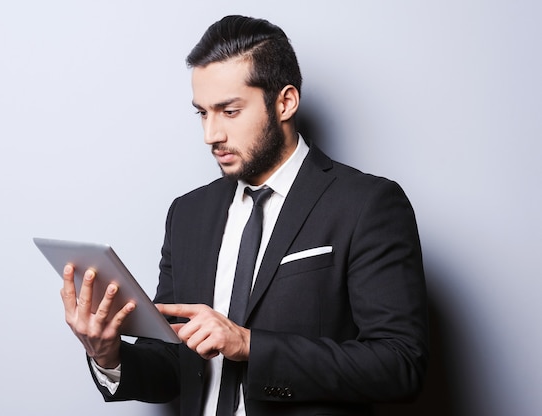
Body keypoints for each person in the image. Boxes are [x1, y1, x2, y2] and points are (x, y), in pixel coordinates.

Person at [60, 15, 429, 416]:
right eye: (202, 113)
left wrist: (249, 344)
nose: (211, 135)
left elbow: (400, 364)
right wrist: (107, 354)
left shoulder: (366, 204)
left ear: (285, 102)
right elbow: (171, 368)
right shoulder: (188, 214)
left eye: (229, 111)